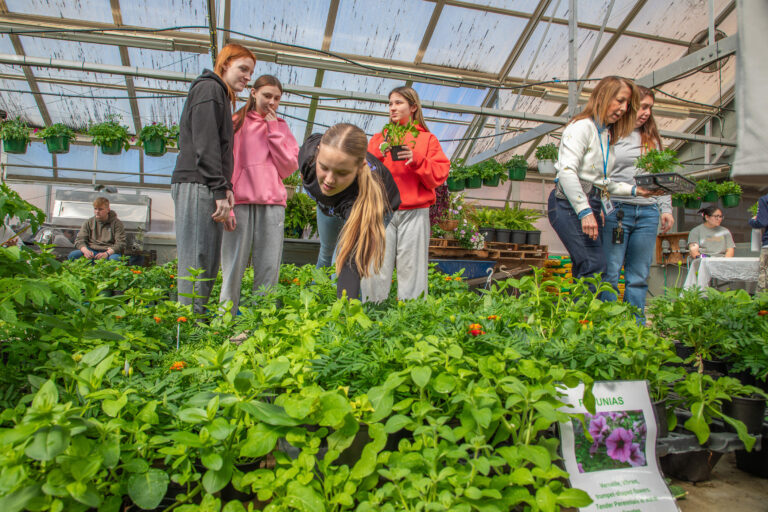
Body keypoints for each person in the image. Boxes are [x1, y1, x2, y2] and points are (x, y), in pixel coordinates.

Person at [171, 43, 255, 315]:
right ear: (225, 63)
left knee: (205, 260)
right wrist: (220, 188)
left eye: (250, 72)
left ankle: (196, 326)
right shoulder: (209, 89)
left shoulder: (219, 93)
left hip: (207, 184)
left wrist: (226, 187)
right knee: (196, 260)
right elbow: (205, 144)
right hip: (198, 183)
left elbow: (218, 148)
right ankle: (188, 334)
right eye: (243, 68)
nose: (247, 77)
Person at [548, 76, 658, 281]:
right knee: (593, 265)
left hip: (593, 199)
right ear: (603, 96)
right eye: (620, 100)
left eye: (627, 104)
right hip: (568, 203)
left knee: (587, 266)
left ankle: (579, 313)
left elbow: (602, 182)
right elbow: (566, 172)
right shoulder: (581, 127)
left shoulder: (605, 134)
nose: (624, 108)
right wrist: (585, 212)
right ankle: (586, 313)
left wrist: (635, 191)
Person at [219, 75, 299, 313]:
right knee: (233, 266)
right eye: (267, 96)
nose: (272, 102)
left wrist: (273, 131)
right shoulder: (235, 122)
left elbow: (289, 167)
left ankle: (261, 322)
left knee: (268, 268)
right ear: (253, 92)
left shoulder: (281, 126)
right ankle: (225, 321)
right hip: (240, 202)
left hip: (272, 204)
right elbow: (227, 164)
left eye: (277, 98)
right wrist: (228, 205)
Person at [363, 86, 450, 301]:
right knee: (376, 265)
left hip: (415, 212)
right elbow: (363, 167)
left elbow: (439, 175)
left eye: (398, 103)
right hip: (382, 210)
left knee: (412, 268)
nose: (393, 108)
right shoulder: (378, 139)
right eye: (390, 103)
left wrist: (418, 159)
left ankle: (411, 318)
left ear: (413, 107)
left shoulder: (428, 140)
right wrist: (380, 151)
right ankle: (371, 312)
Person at [298, 123, 401, 299]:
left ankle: (338, 314)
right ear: (318, 150)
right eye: (324, 167)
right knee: (326, 250)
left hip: (372, 206)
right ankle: (314, 305)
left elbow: (349, 266)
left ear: (360, 167)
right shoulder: (308, 155)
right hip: (330, 205)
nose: (329, 180)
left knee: (340, 263)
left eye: (341, 172)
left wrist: (343, 316)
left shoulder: (363, 200)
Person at [601, 86, 675, 315]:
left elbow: (662, 175)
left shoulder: (651, 138)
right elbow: (599, 175)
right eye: (643, 106)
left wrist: (665, 208)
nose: (646, 113)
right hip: (617, 211)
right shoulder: (610, 134)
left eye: (650, 108)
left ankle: (635, 328)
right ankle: (607, 325)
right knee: (611, 272)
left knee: (639, 276)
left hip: (647, 213)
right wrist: (600, 205)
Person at [68, 197, 125, 262]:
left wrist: (107, 253)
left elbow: (120, 243)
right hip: (91, 250)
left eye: (100, 209)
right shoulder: (89, 222)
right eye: (95, 209)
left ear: (108, 210)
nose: (97, 212)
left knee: (115, 259)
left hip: (109, 252)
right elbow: (79, 240)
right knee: (73, 255)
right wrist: (86, 251)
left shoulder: (117, 224)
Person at [749, 193, 768, 292]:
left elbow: (762, 222)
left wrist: (752, 221)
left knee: (764, 281)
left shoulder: (765, 199)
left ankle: (763, 305)